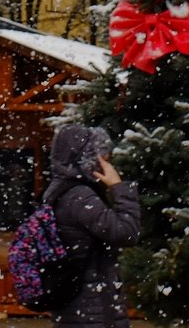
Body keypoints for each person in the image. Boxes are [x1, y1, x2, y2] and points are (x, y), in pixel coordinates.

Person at [42, 125, 141, 328]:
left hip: (74, 306)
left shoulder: (56, 190)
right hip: (93, 310)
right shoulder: (80, 197)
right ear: (88, 158)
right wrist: (118, 188)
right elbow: (127, 233)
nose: (106, 161)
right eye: (102, 156)